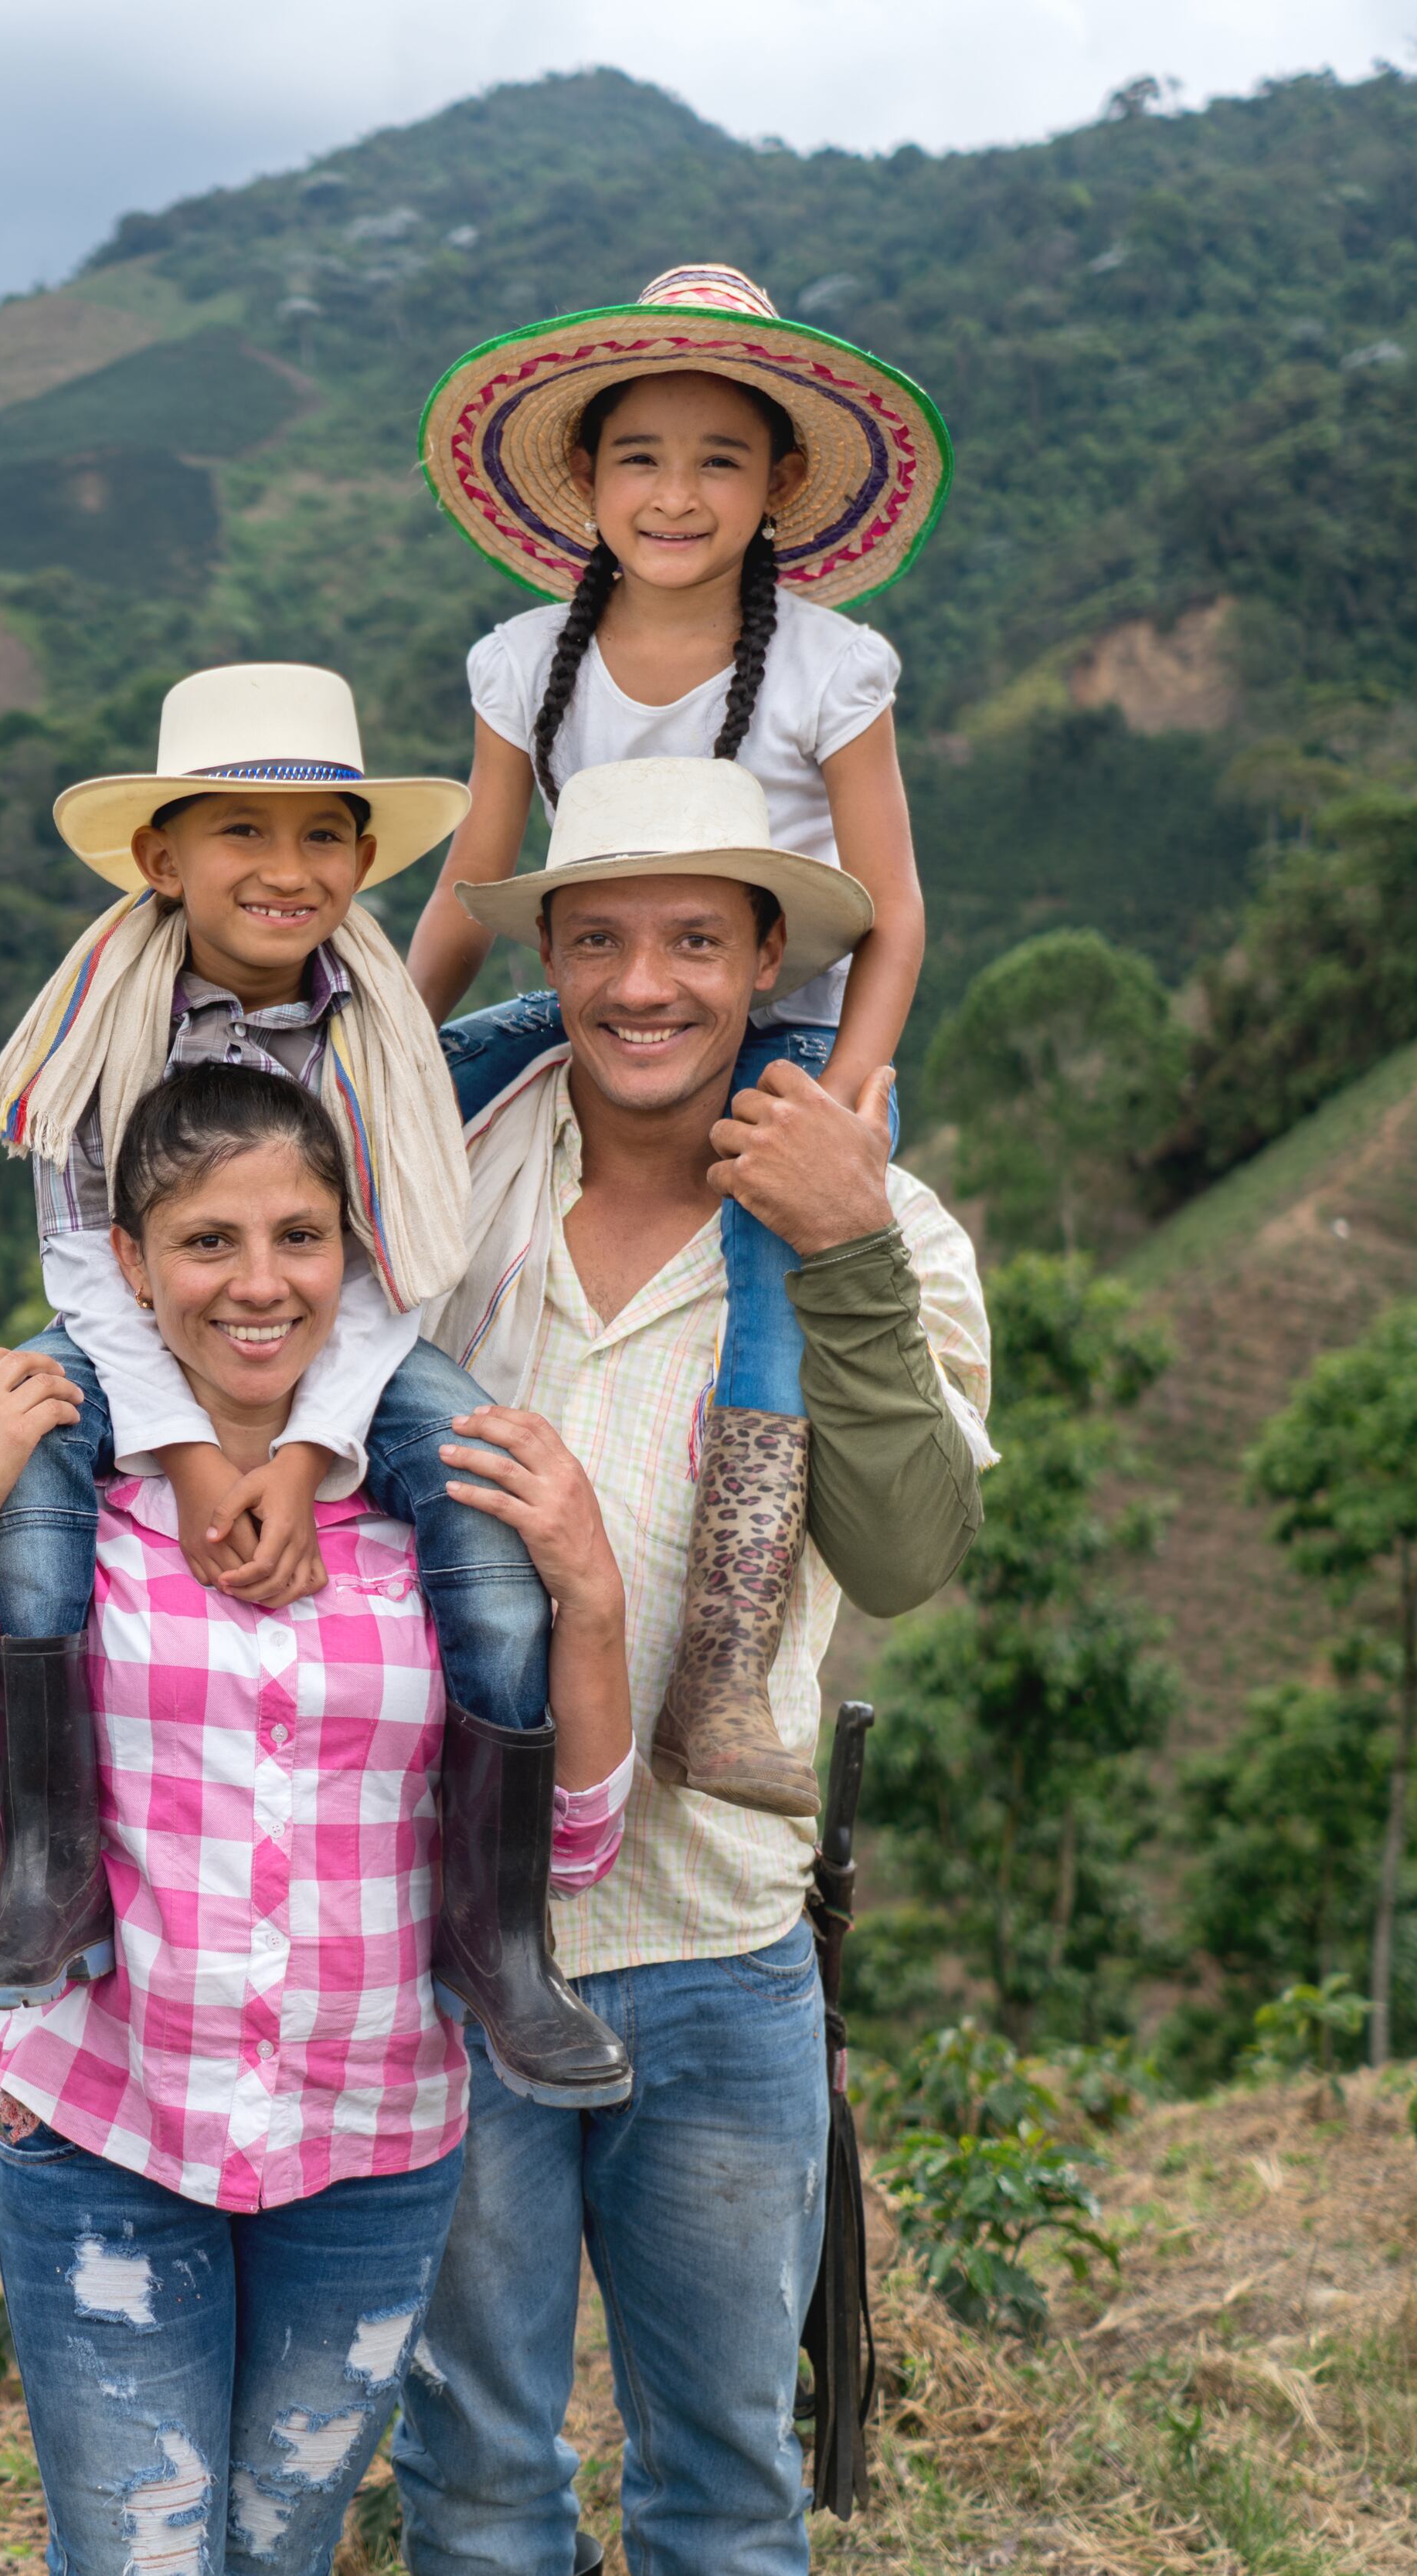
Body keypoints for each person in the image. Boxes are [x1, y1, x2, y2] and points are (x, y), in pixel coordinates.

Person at [0, 1064, 637, 2576]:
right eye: (207, 1241)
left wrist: (591, 1598)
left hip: (371, 2146)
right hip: (105, 2122)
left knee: (279, 2554)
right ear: (131, 1267)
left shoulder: (437, 1510)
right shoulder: (60, 1502)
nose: (258, 1282)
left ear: (352, 1254)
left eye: (299, 1234)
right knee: (144, 2558)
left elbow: (567, 1852)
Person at [387, 757, 994, 2576]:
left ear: (759, 964)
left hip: (717, 1956)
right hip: (453, 1942)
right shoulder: (445, 1178)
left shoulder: (886, 1230)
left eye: (689, 942)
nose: (641, 985)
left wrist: (847, 1251)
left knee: (722, 2482)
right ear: (549, 958)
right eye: (597, 939)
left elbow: (905, 1554)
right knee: (479, 2476)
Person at [0, 663, 627, 2107]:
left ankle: (499, 1934)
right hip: (141, 1324)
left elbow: (391, 1271)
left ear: (365, 861)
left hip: (345, 1335)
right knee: (36, 1495)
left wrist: (308, 1458)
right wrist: (188, 1455)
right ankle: (51, 1870)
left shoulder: (377, 1029)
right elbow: (81, 1260)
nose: (285, 869)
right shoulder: (100, 1020)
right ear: (162, 857)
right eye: (240, 834)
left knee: (489, 1523)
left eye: (322, 837)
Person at [403, 261, 953, 1815]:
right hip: (596, 989)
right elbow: (470, 885)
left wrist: (837, 1112)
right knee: (372, 1116)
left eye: (721, 458)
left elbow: (895, 915)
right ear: (584, 477)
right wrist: (372, 1049)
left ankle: (722, 1656)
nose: (675, 493)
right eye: (640, 455)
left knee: (777, 1262)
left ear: (782, 483)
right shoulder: (523, 661)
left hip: (783, 1022)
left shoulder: (832, 668)